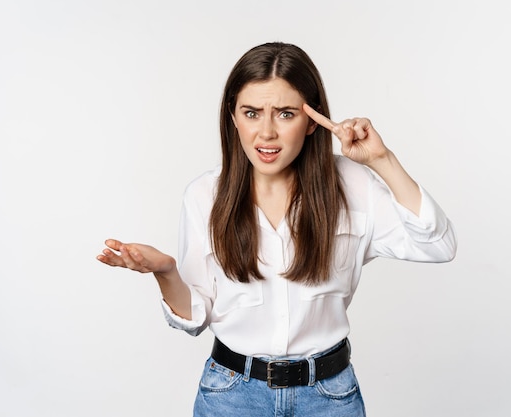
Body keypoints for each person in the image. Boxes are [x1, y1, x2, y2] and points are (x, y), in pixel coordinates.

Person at [97, 41, 457, 416]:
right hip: (231, 396)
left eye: (285, 114)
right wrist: (166, 271)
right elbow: (196, 317)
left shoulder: (353, 184)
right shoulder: (204, 195)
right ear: (233, 117)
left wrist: (382, 160)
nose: (266, 133)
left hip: (329, 397)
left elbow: (438, 246)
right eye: (251, 113)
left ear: (313, 120)